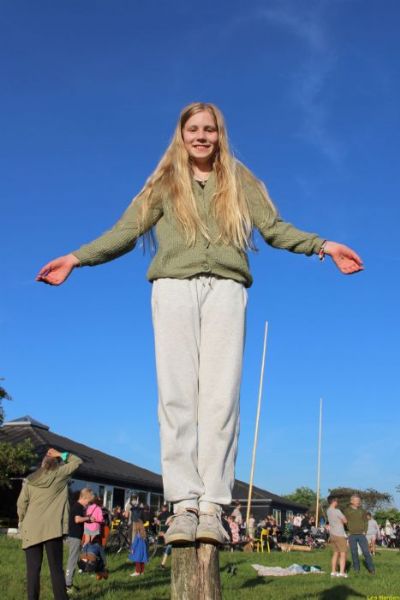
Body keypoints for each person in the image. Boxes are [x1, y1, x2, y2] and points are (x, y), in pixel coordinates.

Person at [36, 102, 363, 545]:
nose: (202, 136)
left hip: (227, 290)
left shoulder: (240, 180)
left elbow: (274, 229)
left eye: (209, 129)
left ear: (219, 134)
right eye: (193, 129)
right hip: (172, 289)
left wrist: (323, 246)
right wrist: (76, 258)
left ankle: (211, 506)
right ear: (182, 134)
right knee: (176, 397)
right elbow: (125, 232)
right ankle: (183, 505)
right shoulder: (164, 182)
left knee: (220, 399)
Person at [17, 448, 82, 600]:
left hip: (31, 528)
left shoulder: (30, 480)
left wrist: (22, 520)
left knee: (33, 570)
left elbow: (21, 504)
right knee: (56, 569)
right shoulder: (60, 474)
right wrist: (60, 454)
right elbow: (77, 461)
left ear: (42, 464)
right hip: (53, 529)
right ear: (57, 464)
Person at [65, 487, 94, 594]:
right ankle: (67, 585)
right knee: (72, 560)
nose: (88, 504)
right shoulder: (78, 506)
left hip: (76, 536)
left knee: (74, 558)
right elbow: (77, 519)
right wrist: (88, 518)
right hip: (74, 537)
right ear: (84, 498)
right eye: (88, 502)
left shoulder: (78, 506)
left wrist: (87, 520)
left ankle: (69, 583)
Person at [343, 495, 375, 574]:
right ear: (351, 501)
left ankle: (371, 569)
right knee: (354, 553)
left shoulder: (362, 511)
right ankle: (356, 569)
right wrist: (347, 531)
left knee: (366, 552)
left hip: (361, 535)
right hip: (352, 535)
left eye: (359, 500)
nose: (358, 502)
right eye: (356, 500)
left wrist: (365, 531)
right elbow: (343, 521)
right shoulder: (346, 511)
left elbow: (366, 521)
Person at [326, 495, 348, 578]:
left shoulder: (328, 511)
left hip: (332, 534)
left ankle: (333, 571)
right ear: (333, 501)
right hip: (339, 534)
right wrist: (341, 521)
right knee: (343, 553)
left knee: (335, 553)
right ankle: (342, 573)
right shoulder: (337, 511)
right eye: (337, 501)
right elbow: (345, 521)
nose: (337, 502)